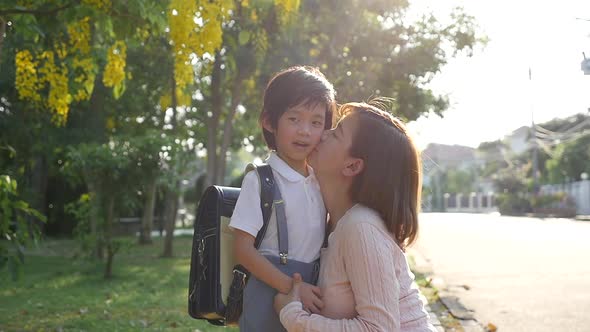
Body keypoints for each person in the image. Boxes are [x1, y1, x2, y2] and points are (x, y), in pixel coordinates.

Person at [274, 101, 437, 331]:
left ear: (352, 166)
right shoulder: (333, 222)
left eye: (336, 133)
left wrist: (292, 315)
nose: (322, 134)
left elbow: (378, 328)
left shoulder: (361, 226)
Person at [229, 66, 336, 331]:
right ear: (269, 121)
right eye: (294, 119)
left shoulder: (320, 180)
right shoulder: (261, 180)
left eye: (316, 122)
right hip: (268, 292)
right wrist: (292, 287)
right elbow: (242, 249)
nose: (305, 131)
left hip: (312, 295)